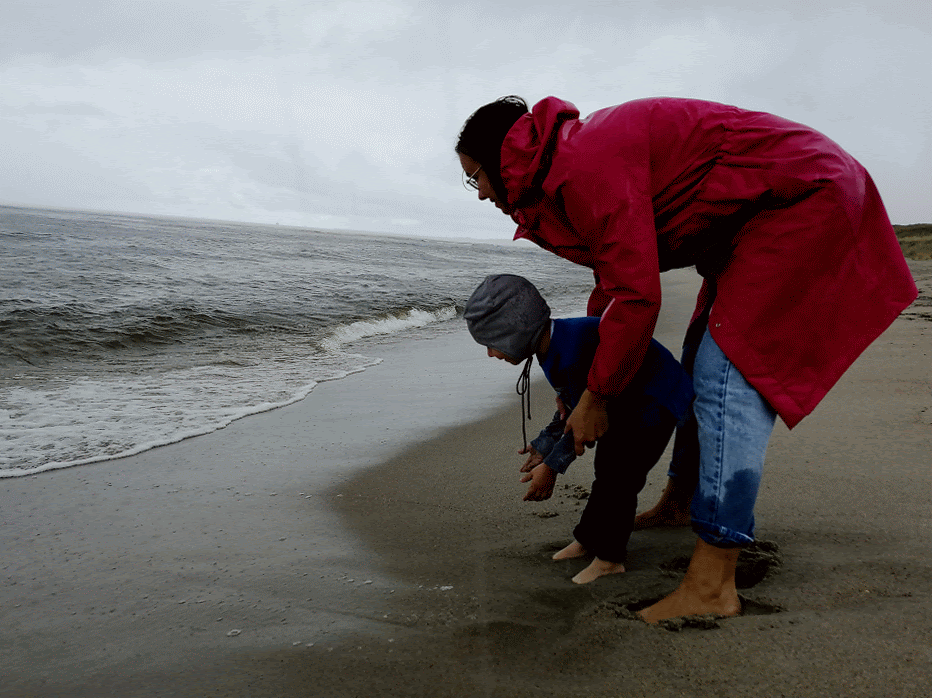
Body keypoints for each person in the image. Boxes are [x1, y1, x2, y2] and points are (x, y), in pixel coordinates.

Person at [455, 95, 918, 622]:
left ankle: (714, 579)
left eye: (477, 178)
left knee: (726, 379)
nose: (481, 194)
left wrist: (598, 395)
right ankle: (680, 501)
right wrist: (593, 376)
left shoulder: (582, 166)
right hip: (741, 223)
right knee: (700, 355)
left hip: (800, 196)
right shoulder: (558, 175)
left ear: (504, 158)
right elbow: (614, 281)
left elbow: (636, 295)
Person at [464, 273, 694, 584]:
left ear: (515, 330)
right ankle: (588, 539)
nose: (491, 354)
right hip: (624, 399)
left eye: (492, 344)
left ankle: (611, 558)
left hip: (656, 399)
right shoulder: (551, 345)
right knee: (607, 469)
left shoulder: (570, 350)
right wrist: (543, 445)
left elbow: (582, 427)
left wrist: (552, 468)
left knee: (620, 476)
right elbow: (573, 409)